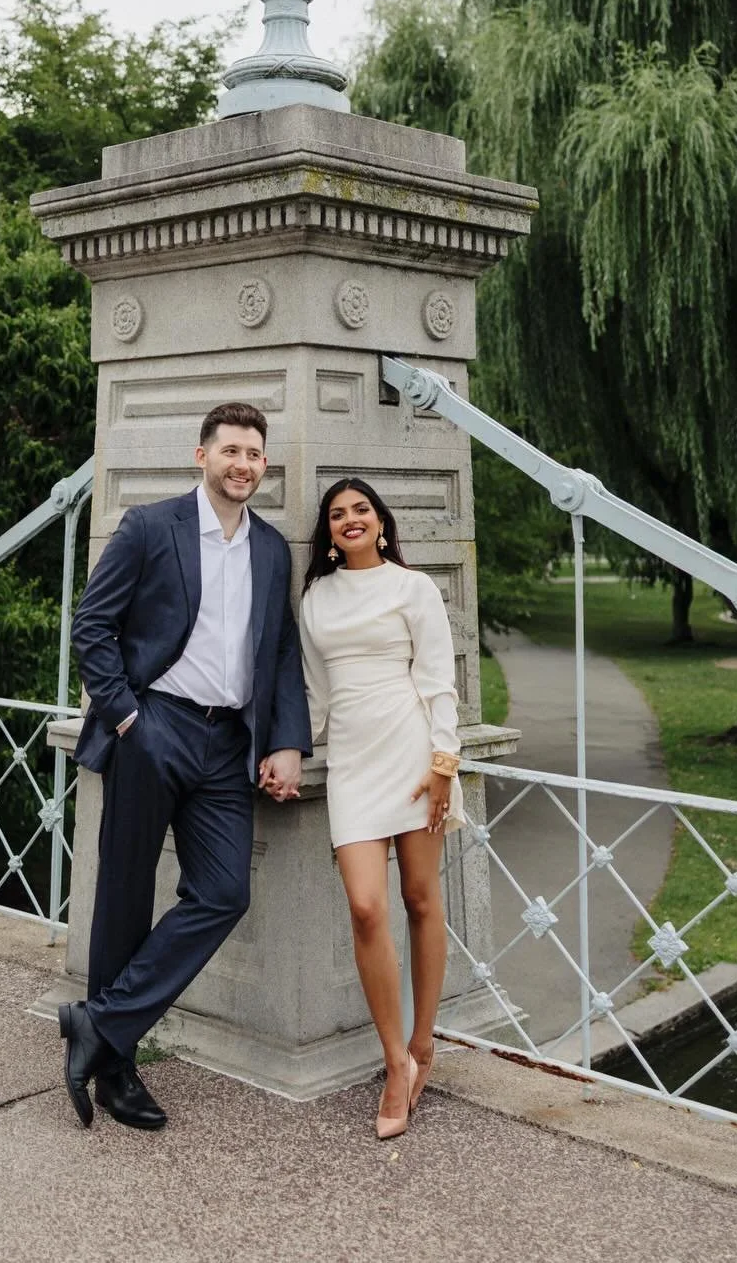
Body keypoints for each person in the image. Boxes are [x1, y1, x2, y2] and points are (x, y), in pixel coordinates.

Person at [58, 402, 310, 1132]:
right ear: (201, 456)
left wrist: (287, 740)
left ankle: (99, 1022)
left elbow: (280, 649)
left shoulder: (270, 548)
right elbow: (92, 625)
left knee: (224, 892)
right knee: (125, 894)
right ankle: (116, 1068)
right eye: (230, 450)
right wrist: (127, 718)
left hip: (229, 743)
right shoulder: (150, 527)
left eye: (254, 454)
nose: (243, 464)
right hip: (154, 725)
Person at [299, 476, 464, 1140]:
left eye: (361, 509)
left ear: (381, 521)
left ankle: (422, 1044)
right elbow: (315, 693)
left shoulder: (413, 588)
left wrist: (444, 763)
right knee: (366, 906)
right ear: (329, 532)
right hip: (352, 764)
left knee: (421, 898)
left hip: (412, 755)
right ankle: (394, 1061)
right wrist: (286, 752)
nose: (351, 519)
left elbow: (438, 678)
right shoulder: (316, 598)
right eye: (338, 514)